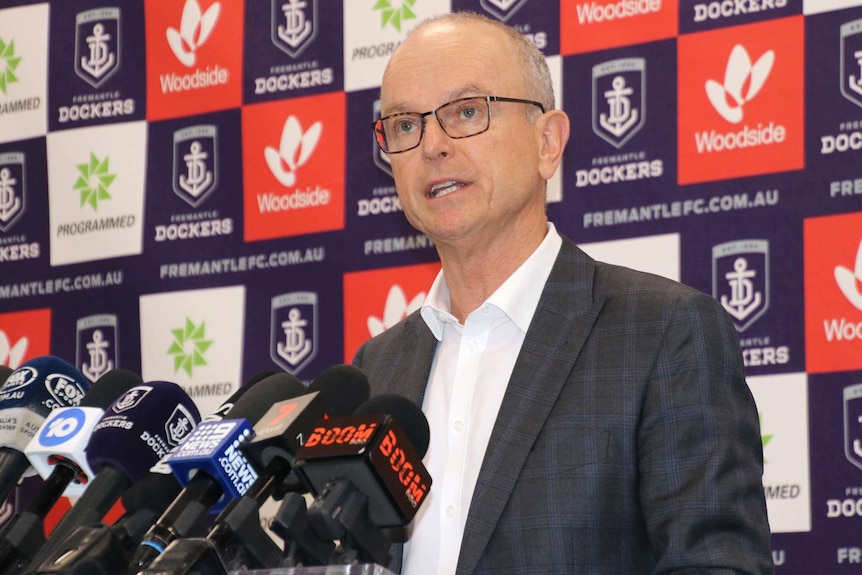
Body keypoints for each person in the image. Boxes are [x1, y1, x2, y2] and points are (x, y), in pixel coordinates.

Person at [353, 11, 774, 575]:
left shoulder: (665, 335)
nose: (432, 145)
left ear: (547, 143)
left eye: (467, 112)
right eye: (405, 125)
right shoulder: (374, 371)